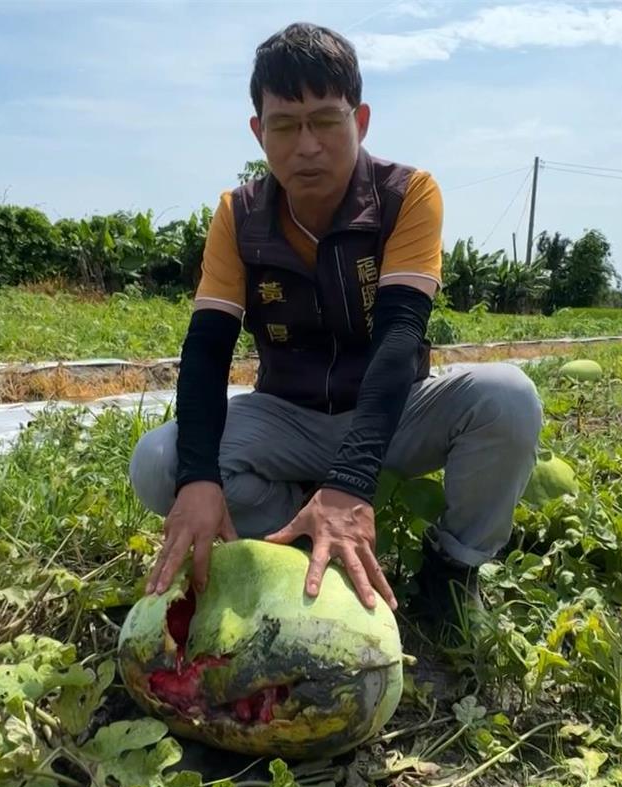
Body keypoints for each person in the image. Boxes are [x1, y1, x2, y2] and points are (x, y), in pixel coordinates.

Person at [129, 22, 543, 636]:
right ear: (258, 132)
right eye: (285, 125)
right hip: (286, 416)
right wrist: (197, 479)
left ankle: (451, 571)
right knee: (160, 461)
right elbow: (207, 350)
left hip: (392, 412)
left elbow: (400, 339)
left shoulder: (408, 195)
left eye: (325, 120)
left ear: (361, 119)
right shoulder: (238, 215)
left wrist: (351, 481)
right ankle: (292, 543)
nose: (307, 146)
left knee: (506, 397)